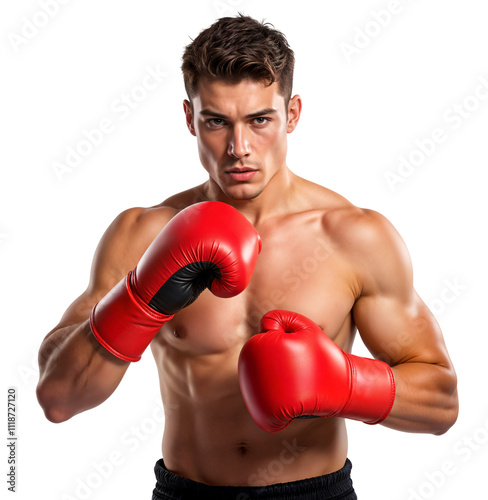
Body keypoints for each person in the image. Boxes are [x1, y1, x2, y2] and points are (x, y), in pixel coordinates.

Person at [36, 14, 459, 499]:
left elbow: (441, 405)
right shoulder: (144, 234)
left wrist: (345, 384)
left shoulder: (355, 237)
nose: (239, 148)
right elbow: (58, 397)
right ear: (189, 119)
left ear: (293, 114)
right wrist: (139, 301)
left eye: (260, 120)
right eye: (216, 122)